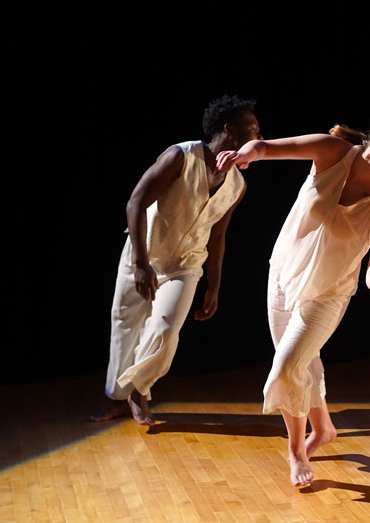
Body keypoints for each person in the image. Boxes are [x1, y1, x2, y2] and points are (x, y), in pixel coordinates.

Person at [215, 112, 370, 488]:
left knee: (286, 368)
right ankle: (324, 428)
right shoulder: (332, 152)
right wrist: (246, 153)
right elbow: (266, 148)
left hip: (328, 295)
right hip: (282, 276)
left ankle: (297, 450)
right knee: (304, 363)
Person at [90, 95, 258, 426]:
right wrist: (140, 263)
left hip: (186, 264)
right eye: (253, 128)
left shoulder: (237, 184)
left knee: (165, 328)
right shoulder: (180, 156)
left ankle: (138, 390)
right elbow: (135, 203)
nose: (260, 136)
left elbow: (219, 235)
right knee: (125, 326)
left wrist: (215, 286)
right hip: (144, 253)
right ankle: (116, 398)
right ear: (230, 130)